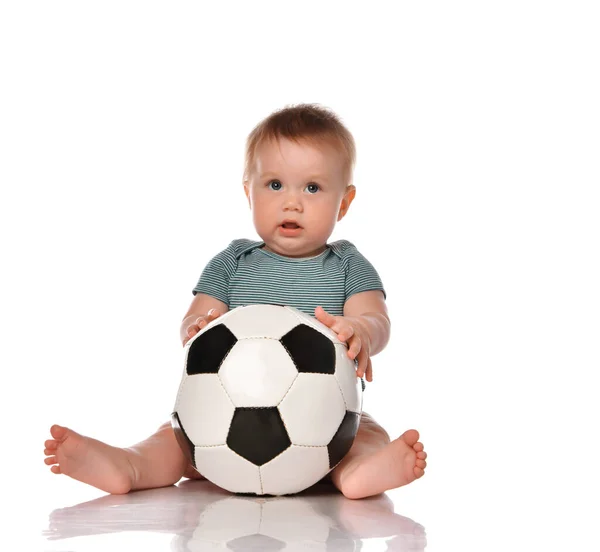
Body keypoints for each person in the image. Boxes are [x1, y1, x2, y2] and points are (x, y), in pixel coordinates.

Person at [44, 104, 427, 500]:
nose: (291, 202)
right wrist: (197, 325)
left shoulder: (348, 263)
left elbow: (375, 319)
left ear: (343, 204)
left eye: (312, 188)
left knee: (364, 433)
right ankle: (130, 464)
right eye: (275, 185)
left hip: (325, 424)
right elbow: (195, 318)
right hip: (221, 426)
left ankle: (359, 472)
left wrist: (362, 329)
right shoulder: (232, 261)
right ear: (249, 192)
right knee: (174, 438)